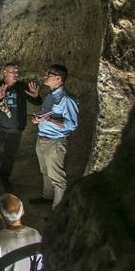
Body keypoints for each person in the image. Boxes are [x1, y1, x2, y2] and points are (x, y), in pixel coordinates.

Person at [0, 63, 42, 189]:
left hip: (15, 130)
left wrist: (36, 96)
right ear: (5, 72)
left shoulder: (21, 87)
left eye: (17, 72)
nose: (16, 74)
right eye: (13, 71)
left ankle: (5, 178)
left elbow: (37, 102)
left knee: (9, 156)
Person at [30, 64, 79, 208]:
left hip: (55, 142)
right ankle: (47, 197)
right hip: (43, 138)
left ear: (59, 79)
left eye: (49, 74)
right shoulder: (50, 96)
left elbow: (71, 125)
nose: (46, 76)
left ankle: (57, 210)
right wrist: (39, 119)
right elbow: (47, 115)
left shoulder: (67, 99)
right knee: (45, 171)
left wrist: (48, 119)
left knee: (57, 177)